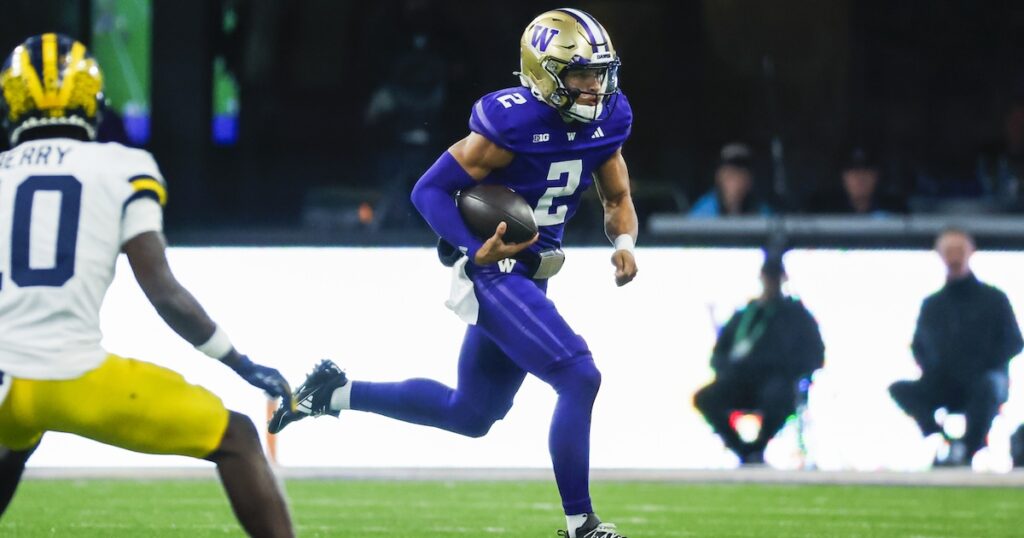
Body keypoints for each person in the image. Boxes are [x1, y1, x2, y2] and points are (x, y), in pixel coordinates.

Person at [270, 9, 637, 538]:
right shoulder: (512, 123)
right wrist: (475, 248)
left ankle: (331, 393)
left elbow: (618, 195)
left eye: (598, 73)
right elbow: (428, 190)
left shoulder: (610, 118)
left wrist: (623, 241)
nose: (592, 86)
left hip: (533, 277)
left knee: (471, 414)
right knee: (579, 376)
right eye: (579, 74)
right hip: (497, 274)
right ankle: (581, 525)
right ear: (543, 72)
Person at [0, 34, 295, 537]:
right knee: (238, 438)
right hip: (76, 378)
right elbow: (164, 292)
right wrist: (238, 362)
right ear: (92, 101)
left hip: (6, 379)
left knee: (18, 438)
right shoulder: (125, 167)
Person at [889, 228, 1023, 466]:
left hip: (985, 379)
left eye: (959, 250)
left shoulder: (994, 299)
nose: (954, 257)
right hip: (945, 381)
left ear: (970, 253)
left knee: (988, 386)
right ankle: (942, 439)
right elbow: (919, 346)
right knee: (900, 389)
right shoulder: (932, 305)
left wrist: (982, 364)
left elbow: (1013, 341)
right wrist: (934, 369)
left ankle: (968, 448)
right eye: (949, 251)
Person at [693, 252, 824, 465]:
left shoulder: (796, 316)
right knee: (705, 398)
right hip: (740, 380)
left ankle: (757, 448)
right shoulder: (746, 314)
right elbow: (720, 353)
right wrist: (727, 370)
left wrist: (791, 373)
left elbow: (814, 355)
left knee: (777, 397)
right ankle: (744, 451)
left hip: (777, 381)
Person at [811, 146, 906, 215]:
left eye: (866, 171)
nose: (860, 178)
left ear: (876, 176)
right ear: (843, 177)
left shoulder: (895, 209)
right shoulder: (828, 210)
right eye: (853, 172)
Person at [689, 142, 772, 218]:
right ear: (719, 178)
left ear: (750, 182)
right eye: (730, 176)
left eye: (741, 177)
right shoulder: (704, 211)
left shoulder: (761, 211)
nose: (735, 184)